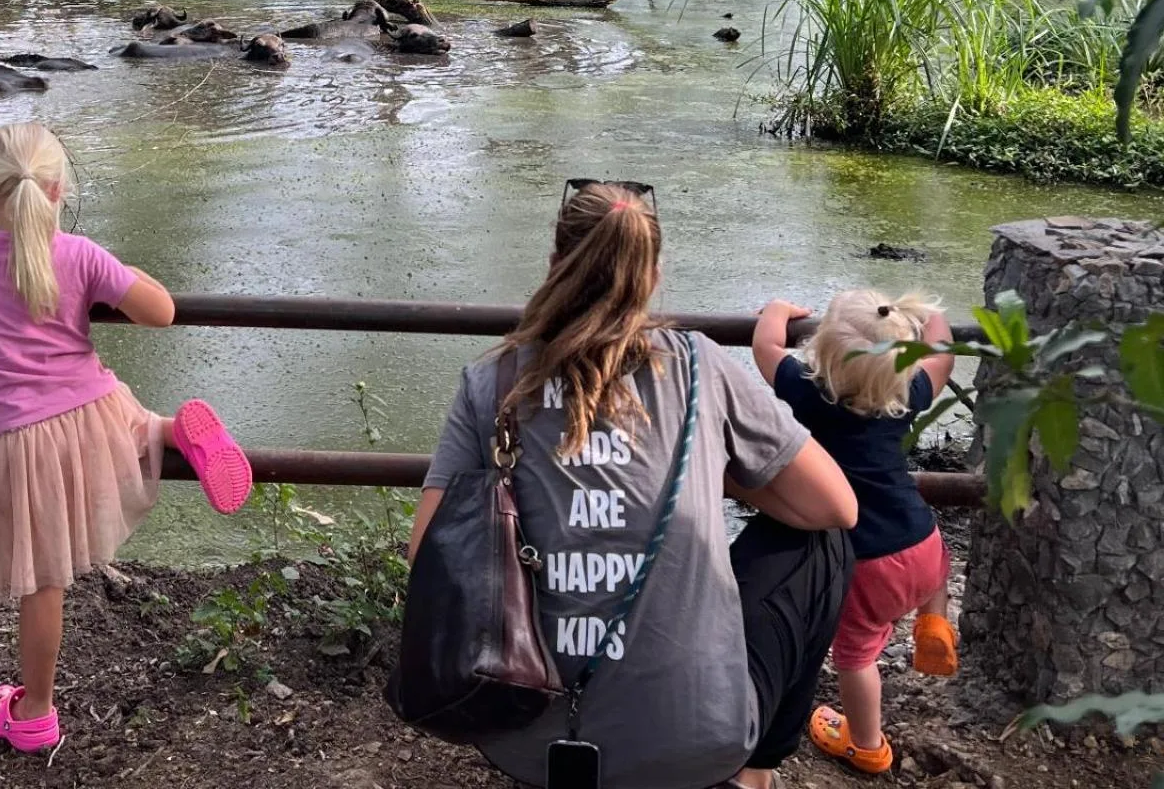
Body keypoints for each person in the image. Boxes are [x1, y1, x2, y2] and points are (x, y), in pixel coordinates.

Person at [410, 181, 858, 789]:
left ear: (553, 266)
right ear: (652, 277)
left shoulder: (493, 383)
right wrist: (709, 473)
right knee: (825, 547)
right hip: (697, 742)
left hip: (520, 736)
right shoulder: (701, 366)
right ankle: (754, 774)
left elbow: (427, 560)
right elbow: (835, 506)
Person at [0, 122, 253, 754]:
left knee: (42, 581)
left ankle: (36, 711)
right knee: (127, 429)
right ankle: (169, 429)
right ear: (57, 190)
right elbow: (163, 312)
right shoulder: (79, 254)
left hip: (23, 441)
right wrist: (128, 270)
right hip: (97, 411)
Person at [752, 291, 958, 776]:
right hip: (921, 540)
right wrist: (930, 316)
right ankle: (934, 620)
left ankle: (865, 744)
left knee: (857, 654)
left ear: (821, 351)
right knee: (933, 565)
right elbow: (943, 353)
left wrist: (778, 311)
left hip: (866, 558)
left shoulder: (808, 391)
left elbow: (765, 348)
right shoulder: (907, 394)